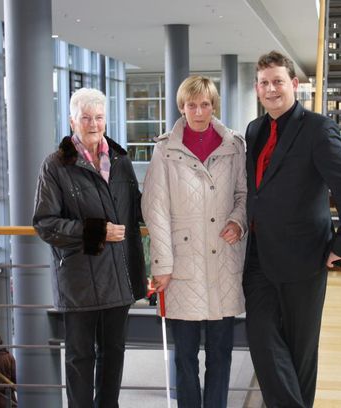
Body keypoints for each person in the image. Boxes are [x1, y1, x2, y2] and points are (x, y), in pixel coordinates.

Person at [243, 51, 341, 408]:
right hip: (259, 255)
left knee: (301, 352)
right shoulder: (254, 129)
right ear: (257, 88)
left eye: (278, 82)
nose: (271, 89)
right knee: (261, 337)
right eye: (264, 83)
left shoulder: (317, 129)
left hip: (304, 257)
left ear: (294, 84)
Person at [33, 87, 147, 408]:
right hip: (80, 280)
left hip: (118, 277)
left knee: (113, 356)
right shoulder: (55, 166)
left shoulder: (121, 161)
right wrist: (97, 231)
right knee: (80, 359)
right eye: (86, 118)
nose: (94, 124)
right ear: (72, 121)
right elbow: (45, 223)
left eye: (99, 117)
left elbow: (136, 209)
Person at [142, 75, 247, 408]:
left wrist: (238, 221)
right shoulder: (165, 149)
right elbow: (155, 208)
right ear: (182, 107)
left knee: (221, 354)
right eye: (192, 105)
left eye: (205, 104)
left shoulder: (234, 145)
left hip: (223, 263)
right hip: (182, 266)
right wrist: (162, 265)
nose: (199, 112)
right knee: (185, 357)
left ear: (213, 105)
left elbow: (244, 194)